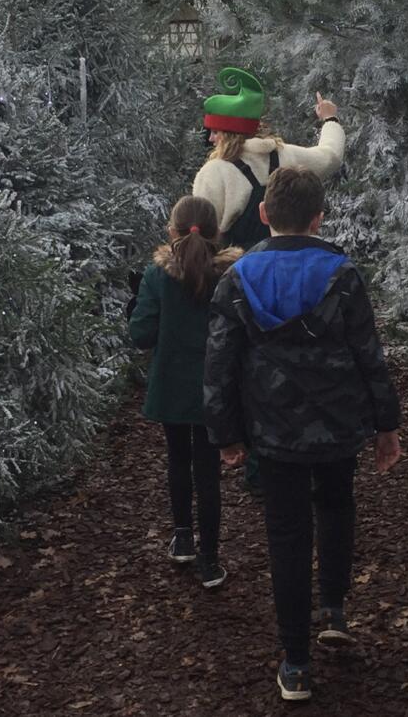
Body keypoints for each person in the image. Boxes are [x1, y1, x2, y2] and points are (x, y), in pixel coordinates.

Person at [204, 167, 402, 701]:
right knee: (337, 505)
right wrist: (386, 424)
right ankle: (333, 609)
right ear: (319, 219)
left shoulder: (238, 277)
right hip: (338, 425)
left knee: (286, 535)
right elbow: (368, 354)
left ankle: (295, 662)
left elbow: (219, 363)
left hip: (273, 431)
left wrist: (225, 433)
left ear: (264, 214)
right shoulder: (343, 273)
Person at [193, 66, 346, 495]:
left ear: (225, 135)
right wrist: (329, 119)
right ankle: (310, 452)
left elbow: (202, 235)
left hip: (245, 290)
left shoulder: (216, 174)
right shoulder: (288, 156)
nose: (208, 141)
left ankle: (265, 467)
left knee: (249, 372)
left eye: (212, 133)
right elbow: (330, 157)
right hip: (300, 282)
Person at [129, 196, 242, 589]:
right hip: (216, 387)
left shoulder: (156, 276)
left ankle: (182, 538)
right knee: (208, 472)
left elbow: (141, 334)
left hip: (171, 384)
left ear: (171, 230)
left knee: (178, 459)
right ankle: (210, 560)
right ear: (217, 231)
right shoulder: (231, 275)